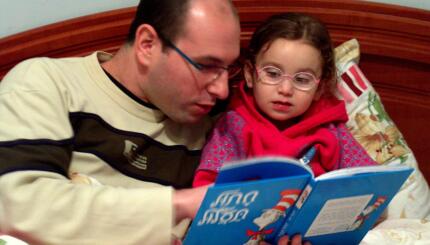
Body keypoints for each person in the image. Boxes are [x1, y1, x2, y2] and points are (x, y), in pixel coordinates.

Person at [0, 0, 241, 244]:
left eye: (229, 68)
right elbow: (19, 208)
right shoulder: (48, 84)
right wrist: (181, 204)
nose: (222, 89)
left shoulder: (213, 127)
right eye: (206, 66)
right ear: (147, 45)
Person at [193, 12, 376, 187]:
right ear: (249, 74)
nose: (285, 90)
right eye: (272, 74)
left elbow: (370, 179)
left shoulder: (331, 129)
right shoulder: (233, 126)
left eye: (302, 79)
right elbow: (207, 188)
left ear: (319, 88)